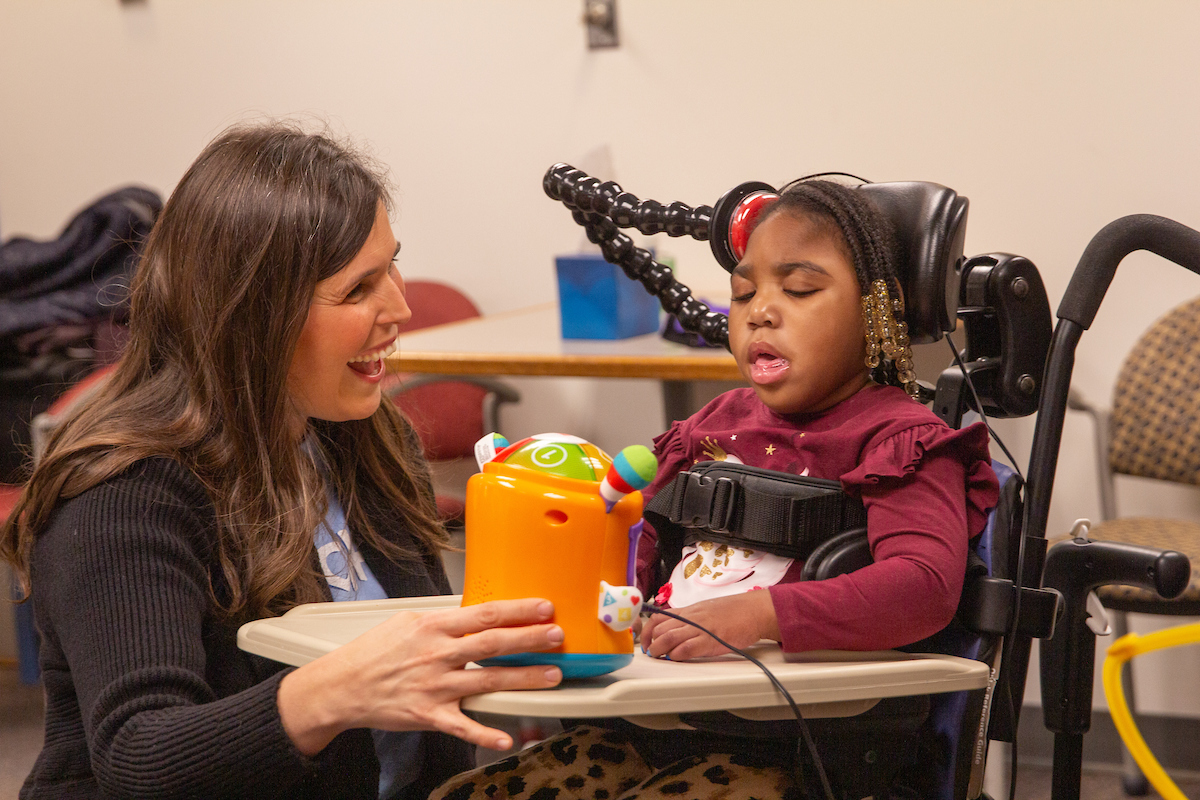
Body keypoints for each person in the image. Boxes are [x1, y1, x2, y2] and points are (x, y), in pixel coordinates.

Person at [0, 120, 565, 800]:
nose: (400, 307)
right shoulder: (127, 493)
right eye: (357, 291)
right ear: (252, 316)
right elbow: (139, 757)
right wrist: (333, 692)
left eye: (392, 265)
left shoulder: (366, 438)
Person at [430, 180, 999, 799]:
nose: (761, 310)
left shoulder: (902, 441)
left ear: (873, 311)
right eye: (744, 292)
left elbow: (922, 586)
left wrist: (760, 614)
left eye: (800, 289)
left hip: (802, 751)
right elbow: (640, 536)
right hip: (651, 723)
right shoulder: (710, 426)